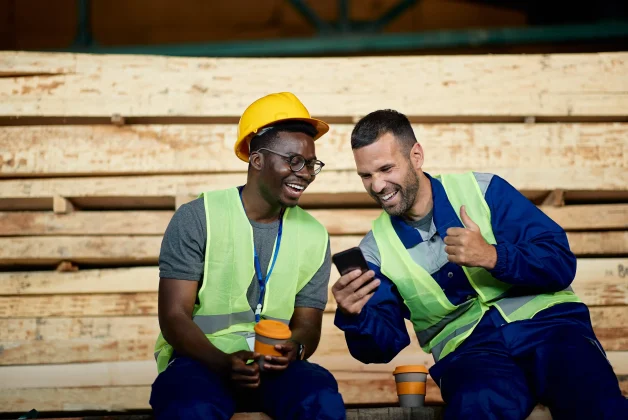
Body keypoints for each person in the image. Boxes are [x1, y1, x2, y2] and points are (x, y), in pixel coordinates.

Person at [332, 109, 628, 419]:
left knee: (592, 395)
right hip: (471, 356)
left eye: (386, 169)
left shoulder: (483, 190)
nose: (377, 185)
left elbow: (559, 261)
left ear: (416, 156)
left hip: (551, 330)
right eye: (366, 175)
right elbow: (382, 348)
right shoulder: (376, 251)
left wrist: (493, 256)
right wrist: (355, 316)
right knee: (476, 406)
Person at [150, 92, 346, 420]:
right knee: (189, 408)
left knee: (319, 398)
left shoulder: (314, 235)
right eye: (294, 161)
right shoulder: (199, 217)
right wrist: (221, 362)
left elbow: (308, 325)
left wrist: (295, 349)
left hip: (275, 368)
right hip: (201, 362)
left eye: (312, 163)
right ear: (257, 160)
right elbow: (173, 316)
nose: (307, 173)